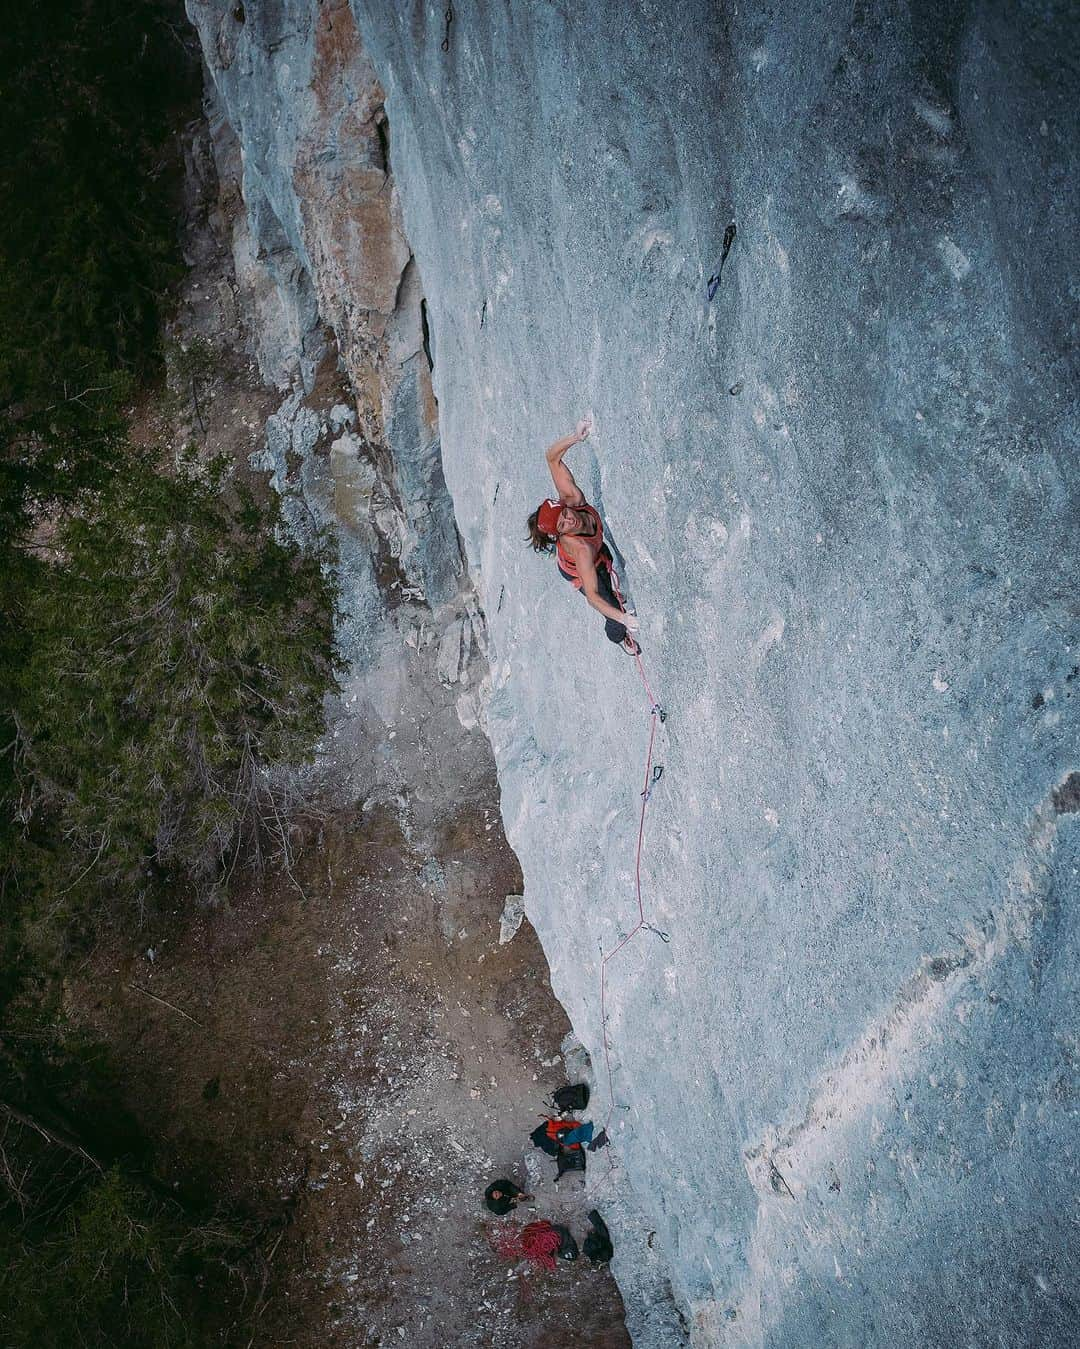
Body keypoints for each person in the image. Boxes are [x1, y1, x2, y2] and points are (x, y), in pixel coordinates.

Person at [526, 420, 641, 654]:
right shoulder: (580, 549)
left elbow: (551, 458)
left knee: (603, 557)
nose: (570, 520)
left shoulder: (573, 499)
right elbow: (592, 596)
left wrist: (576, 436)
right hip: (576, 568)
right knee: (611, 610)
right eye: (562, 525)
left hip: (594, 551)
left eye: (564, 514)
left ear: (563, 505)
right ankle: (620, 640)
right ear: (559, 534)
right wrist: (623, 618)